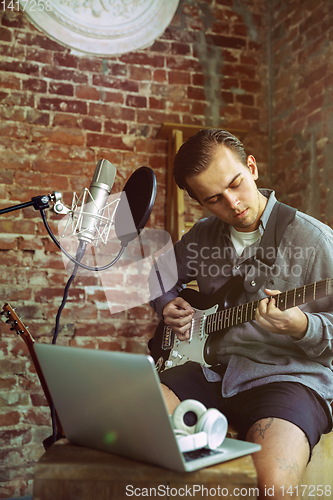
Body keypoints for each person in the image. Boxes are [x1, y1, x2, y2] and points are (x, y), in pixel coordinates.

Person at [149, 129, 333, 499]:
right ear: (201, 202)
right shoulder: (202, 236)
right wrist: (166, 303)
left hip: (289, 376)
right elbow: (154, 277)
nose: (232, 204)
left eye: (236, 184)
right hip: (210, 370)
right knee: (143, 439)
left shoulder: (315, 241)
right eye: (214, 199)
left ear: (252, 167)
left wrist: (302, 326)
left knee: (271, 487)